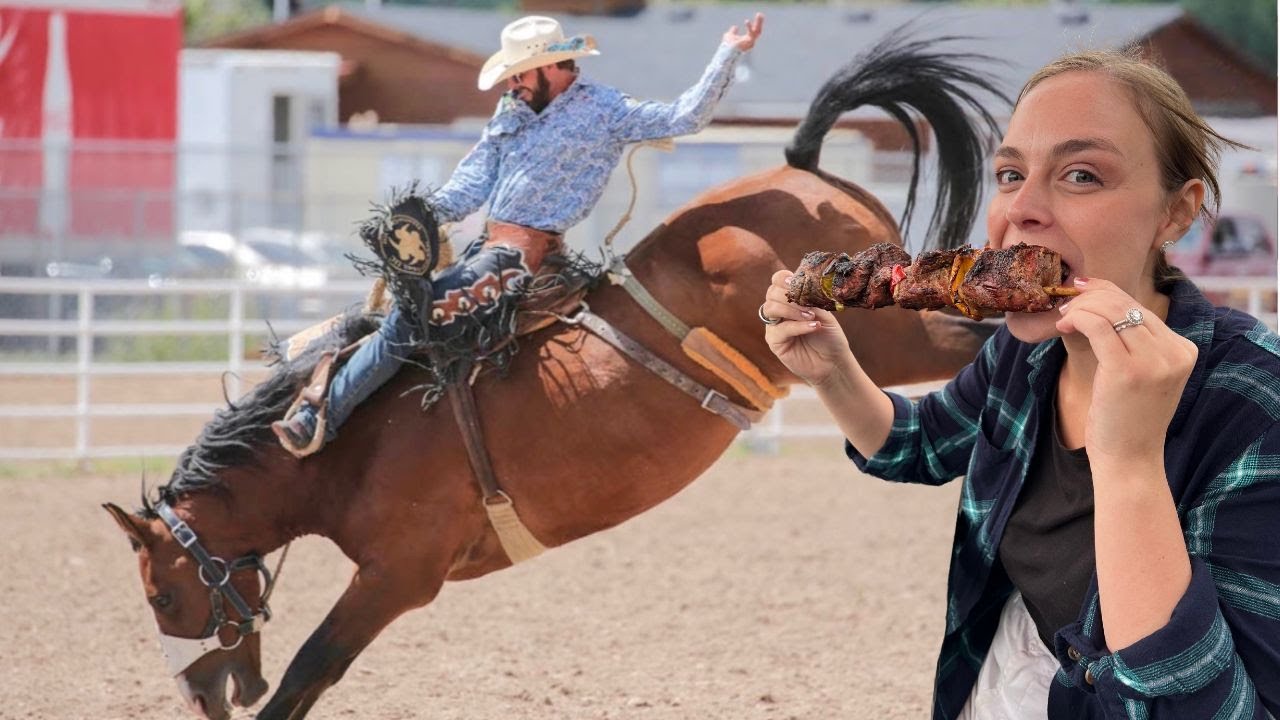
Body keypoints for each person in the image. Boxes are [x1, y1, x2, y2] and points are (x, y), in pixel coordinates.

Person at [761, 49, 1280, 718]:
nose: (1022, 209)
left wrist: (1128, 463)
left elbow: (1223, 708)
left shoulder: (1256, 402)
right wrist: (832, 372)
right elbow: (920, 445)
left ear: (1175, 214)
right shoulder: (1025, 352)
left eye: (1082, 175)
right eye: (1009, 174)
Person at [274, 12, 765, 453]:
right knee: (398, 306)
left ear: (552, 67)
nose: (511, 84)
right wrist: (425, 216)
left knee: (412, 315)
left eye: (518, 74)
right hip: (489, 249)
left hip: (521, 263)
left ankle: (322, 417)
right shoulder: (512, 110)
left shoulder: (605, 110)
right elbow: (472, 181)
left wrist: (728, 53)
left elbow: (684, 116)